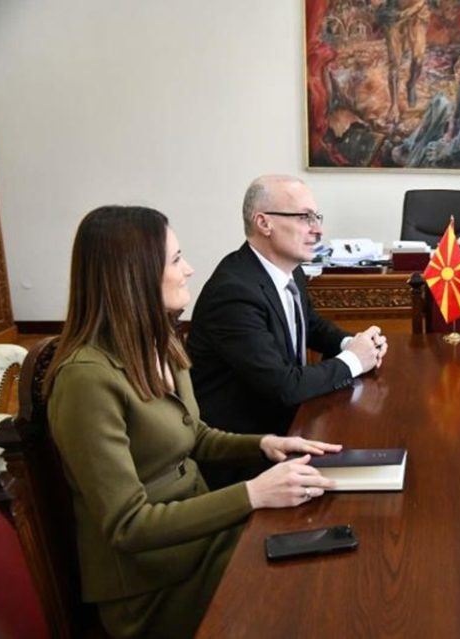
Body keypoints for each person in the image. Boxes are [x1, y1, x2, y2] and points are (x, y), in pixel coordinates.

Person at [46, 206, 341, 638]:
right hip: (153, 585)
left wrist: (265, 444)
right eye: (176, 259)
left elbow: (194, 436)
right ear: (133, 276)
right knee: (309, 595)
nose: (189, 270)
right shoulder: (85, 379)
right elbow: (128, 525)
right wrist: (253, 494)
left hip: (201, 540)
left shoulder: (161, 340)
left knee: (325, 546)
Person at [187, 175, 387, 485]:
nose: (317, 229)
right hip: (246, 454)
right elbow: (284, 386)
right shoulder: (233, 292)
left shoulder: (290, 270)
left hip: (291, 428)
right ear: (264, 223)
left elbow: (310, 324)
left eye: (317, 217)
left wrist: (352, 343)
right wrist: (353, 361)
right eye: (304, 217)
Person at [390, 53, 460, 169]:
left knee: (428, 156)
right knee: (440, 101)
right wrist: (446, 139)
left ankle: (416, 154)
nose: (456, 72)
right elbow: (455, 118)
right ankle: (411, 145)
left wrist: (447, 149)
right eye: (456, 68)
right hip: (454, 142)